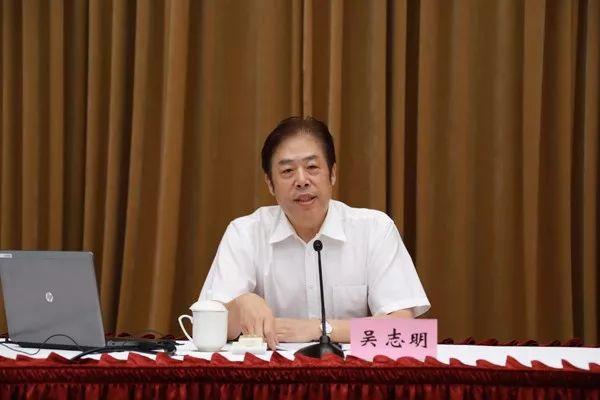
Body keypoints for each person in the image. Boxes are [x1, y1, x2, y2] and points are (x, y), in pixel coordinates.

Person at [199, 116, 430, 350]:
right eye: (287, 171)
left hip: (348, 370)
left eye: (312, 167)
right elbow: (207, 326)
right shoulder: (244, 233)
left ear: (332, 174)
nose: (302, 180)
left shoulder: (375, 229)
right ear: (270, 183)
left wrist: (318, 329)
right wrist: (241, 305)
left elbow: (406, 331)